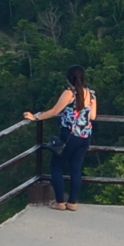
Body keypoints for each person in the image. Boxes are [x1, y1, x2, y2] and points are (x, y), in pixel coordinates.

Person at [23, 66, 97, 213]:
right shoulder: (91, 94)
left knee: (56, 167)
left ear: (68, 79)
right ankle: (72, 203)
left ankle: (60, 202)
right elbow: (93, 116)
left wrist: (36, 117)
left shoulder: (69, 94)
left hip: (69, 136)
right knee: (76, 169)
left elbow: (55, 111)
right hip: (85, 137)